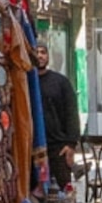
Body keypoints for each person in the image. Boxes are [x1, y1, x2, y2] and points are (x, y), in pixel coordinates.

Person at [33, 44, 79, 190]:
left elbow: (71, 112)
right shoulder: (26, 83)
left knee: (63, 192)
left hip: (58, 149)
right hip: (33, 148)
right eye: (36, 52)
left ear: (48, 56)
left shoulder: (61, 82)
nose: (40, 56)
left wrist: (70, 144)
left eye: (43, 52)